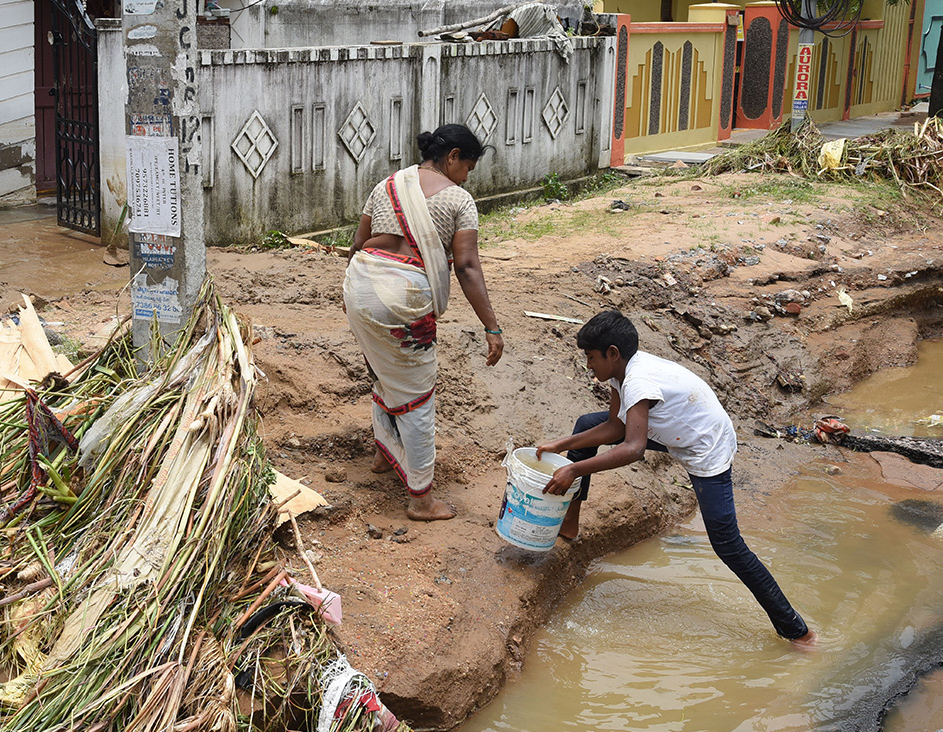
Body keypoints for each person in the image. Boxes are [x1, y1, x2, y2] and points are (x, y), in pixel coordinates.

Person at [534, 310, 817, 646]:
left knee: (728, 545)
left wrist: (573, 468)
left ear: (612, 353)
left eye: (591, 357)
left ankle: (797, 631)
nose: (588, 365)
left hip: (704, 446)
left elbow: (633, 448)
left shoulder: (638, 380)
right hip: (673, 431)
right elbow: (616, 427)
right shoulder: (620, 372)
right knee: (584, 425)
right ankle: (569, 524)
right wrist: (562, 445)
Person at [343, 124, 503, 522]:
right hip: (403, 300)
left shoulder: (387, 185)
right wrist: (492, 326)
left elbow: (357, 244)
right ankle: (421, 501)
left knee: (382, 374)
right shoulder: (458, 199)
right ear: (452, 158)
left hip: (361, 285)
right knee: (418, 396)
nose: (467, 176)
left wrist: (361, 296)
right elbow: (466, 267)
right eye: (468, 166)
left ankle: (384, 456)